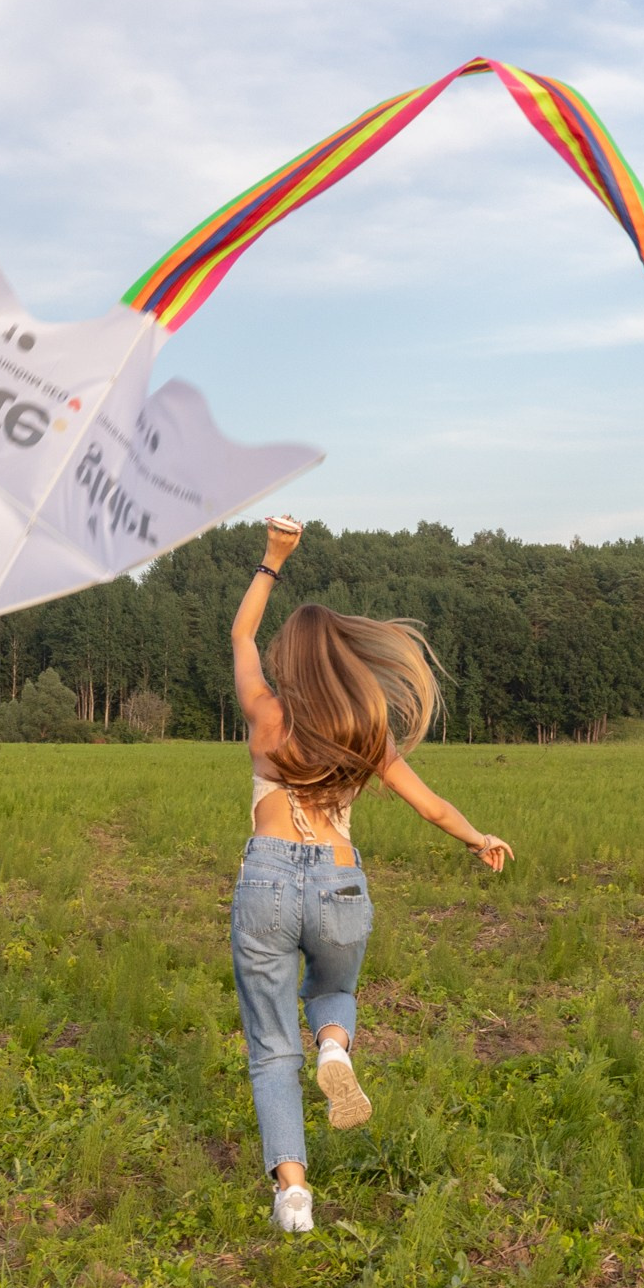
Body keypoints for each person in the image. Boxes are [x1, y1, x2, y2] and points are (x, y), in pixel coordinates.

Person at [229, 514, 512, 1234]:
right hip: (340, 882)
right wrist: (478, 837)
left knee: (270, 1048)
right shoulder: (366, 731)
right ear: (342, 661)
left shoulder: (265, 714)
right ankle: (334, 1045)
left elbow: (240, 637)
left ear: (291, 662)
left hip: (266, 879)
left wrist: (272, 558)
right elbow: (431, 805)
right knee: (334, 991)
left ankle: (294, 1196)